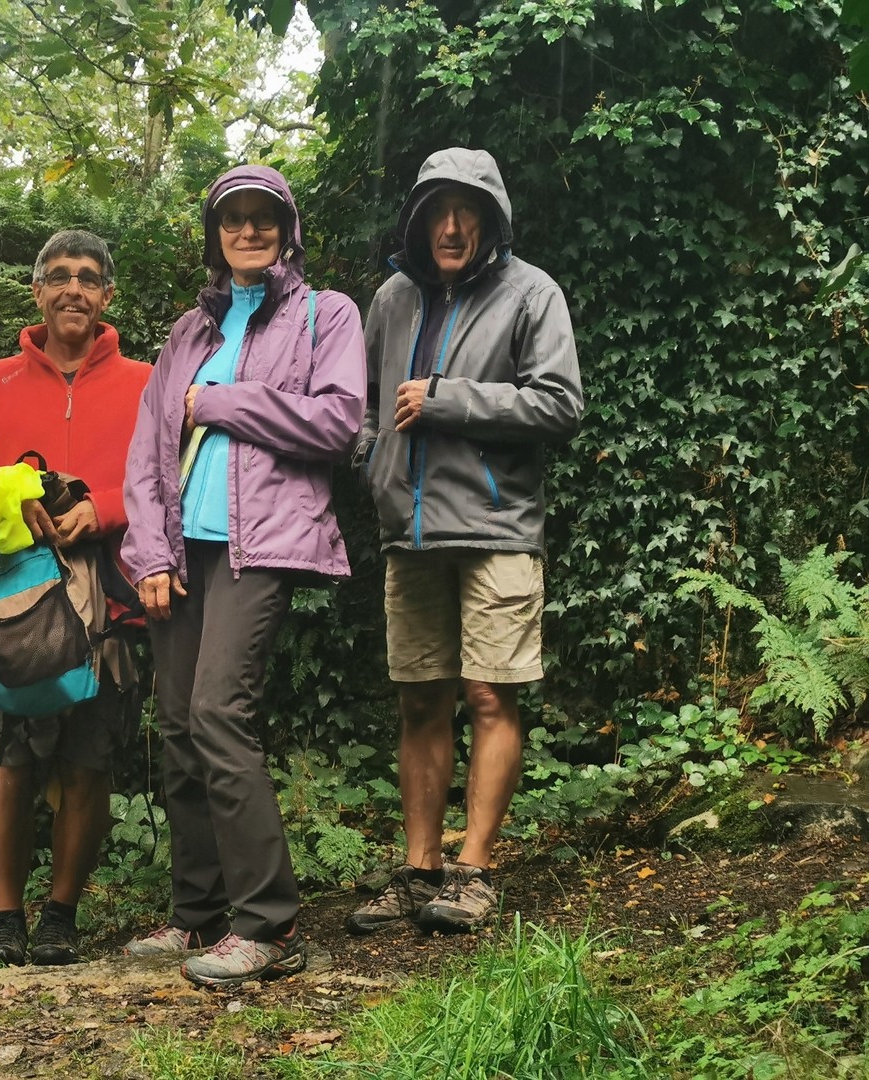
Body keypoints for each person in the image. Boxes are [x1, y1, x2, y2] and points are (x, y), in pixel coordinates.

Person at [121, 165, 367, 988]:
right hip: (181, 552)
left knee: (219, 713)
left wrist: (224, 403)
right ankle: (196, 918)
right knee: (181, 730)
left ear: (287, 230)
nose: (250, 232)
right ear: (215, 236)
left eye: (265, 219)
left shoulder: (324, 315)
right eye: (235, 222)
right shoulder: (189, 334)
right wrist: (150, 555)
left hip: (256, 545)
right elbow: (148, 453)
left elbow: (338, 422)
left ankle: (268, 923)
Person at [349, 147, 583, 935]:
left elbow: (559, 405)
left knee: (489, 695)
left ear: (489, 216)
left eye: (466, 209)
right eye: (436, 210)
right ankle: (419, 872)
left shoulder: (532, 293)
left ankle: (475, 870)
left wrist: (450, 400)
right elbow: (371, 411)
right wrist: (375, 467)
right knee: (420, 699)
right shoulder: (390, 299)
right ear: (417, 218)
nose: (451, 226)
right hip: (408, 533)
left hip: (496, 527)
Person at [0, 229, 151, 967]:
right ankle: (4, 918)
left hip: (109, 600)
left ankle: (61, 915)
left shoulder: (145, 382)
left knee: (89, 761)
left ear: (108, 296)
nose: (73, 289)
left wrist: (104, 509)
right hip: (20, 601)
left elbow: (168, 476)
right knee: (15, 757)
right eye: (58, 276)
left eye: (88, 278)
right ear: (37, 291)